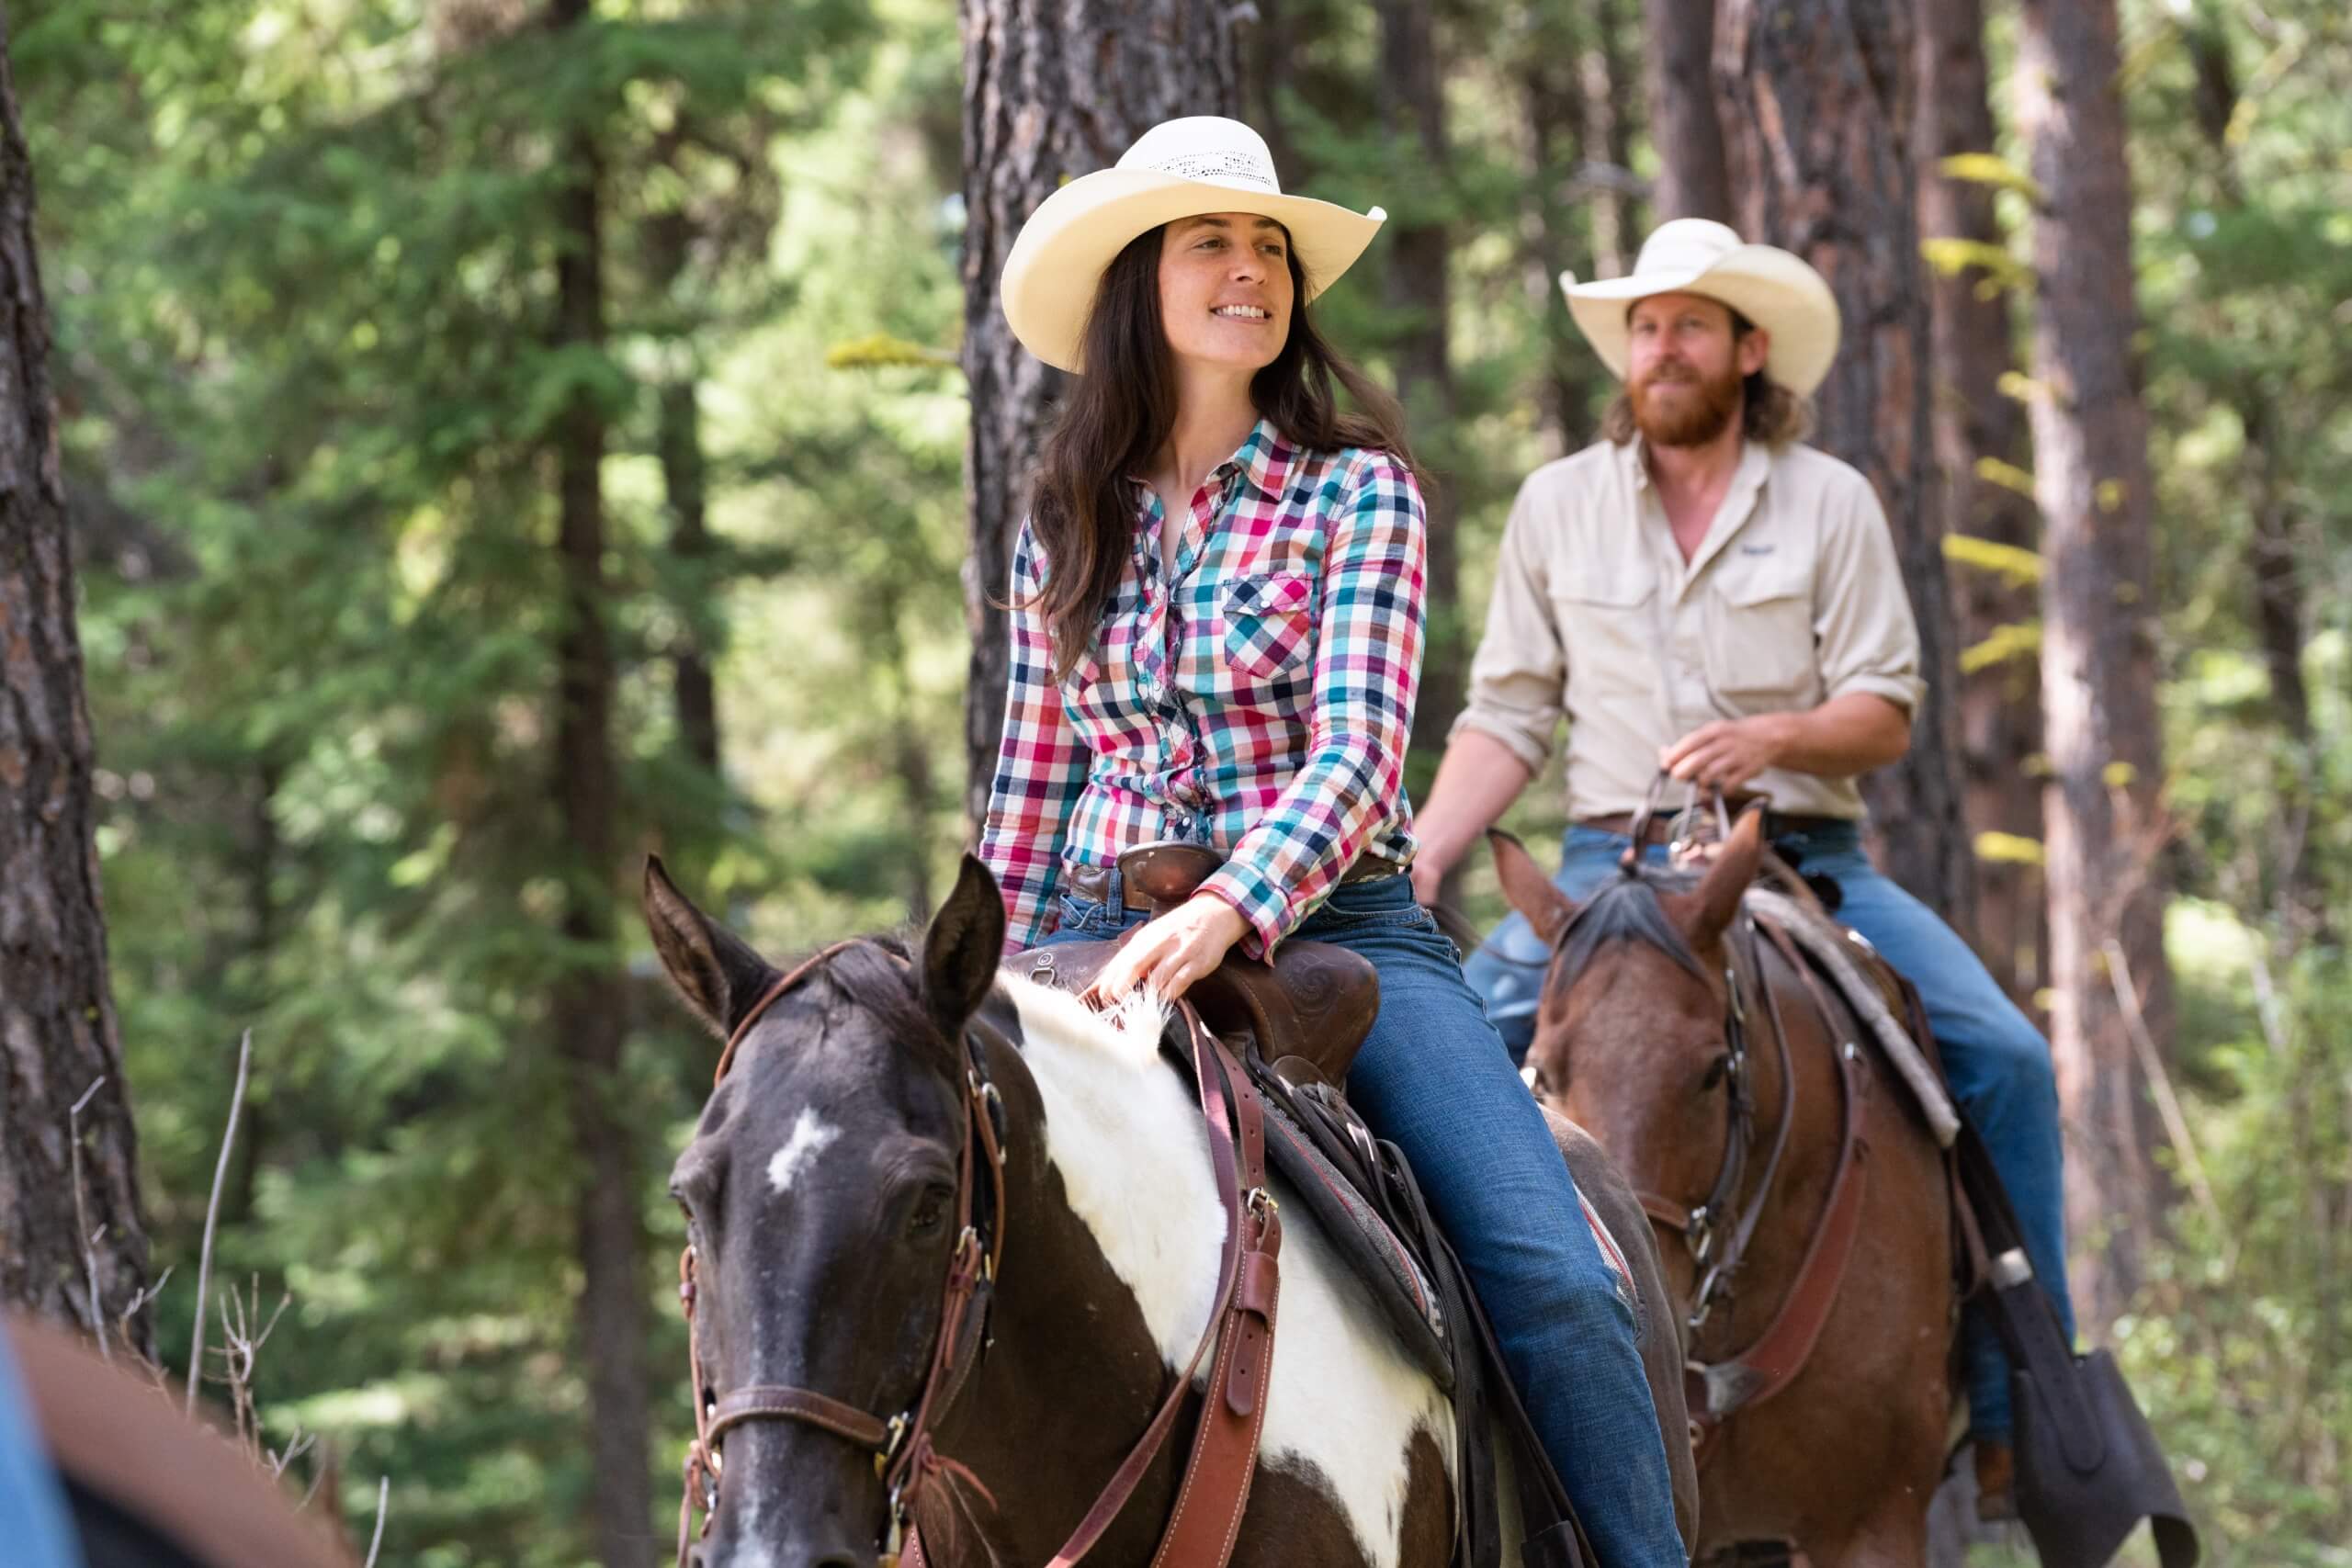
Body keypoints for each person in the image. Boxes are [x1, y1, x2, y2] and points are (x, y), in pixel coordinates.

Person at [977, 117, 1686, 1567]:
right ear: (1137, 286)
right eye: (1211, 245)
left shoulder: (1356, 486)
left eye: (1268, 250)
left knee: (1559, 1280)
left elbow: (1361, 758)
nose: (1249, 271)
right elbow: (1030, 791)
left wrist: (1234, 906)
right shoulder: (1061, 520)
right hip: (1089, 947)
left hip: (1339, 938)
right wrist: (962, 981)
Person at [1409, 216, 2075, 1506]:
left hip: (1805, 859)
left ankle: (2022, 1411)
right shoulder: (1557, 507)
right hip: (1609, 864)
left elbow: (1884, 709)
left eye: (1690, 326)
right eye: (1644, 328)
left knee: (2005, 1059)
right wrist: (1431, 852)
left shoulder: (1829, 501)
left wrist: (1774, 735)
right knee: (1449, 1050)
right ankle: (1453, 1383)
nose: (1662, 348)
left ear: (1746, 349)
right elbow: (1508, 714)